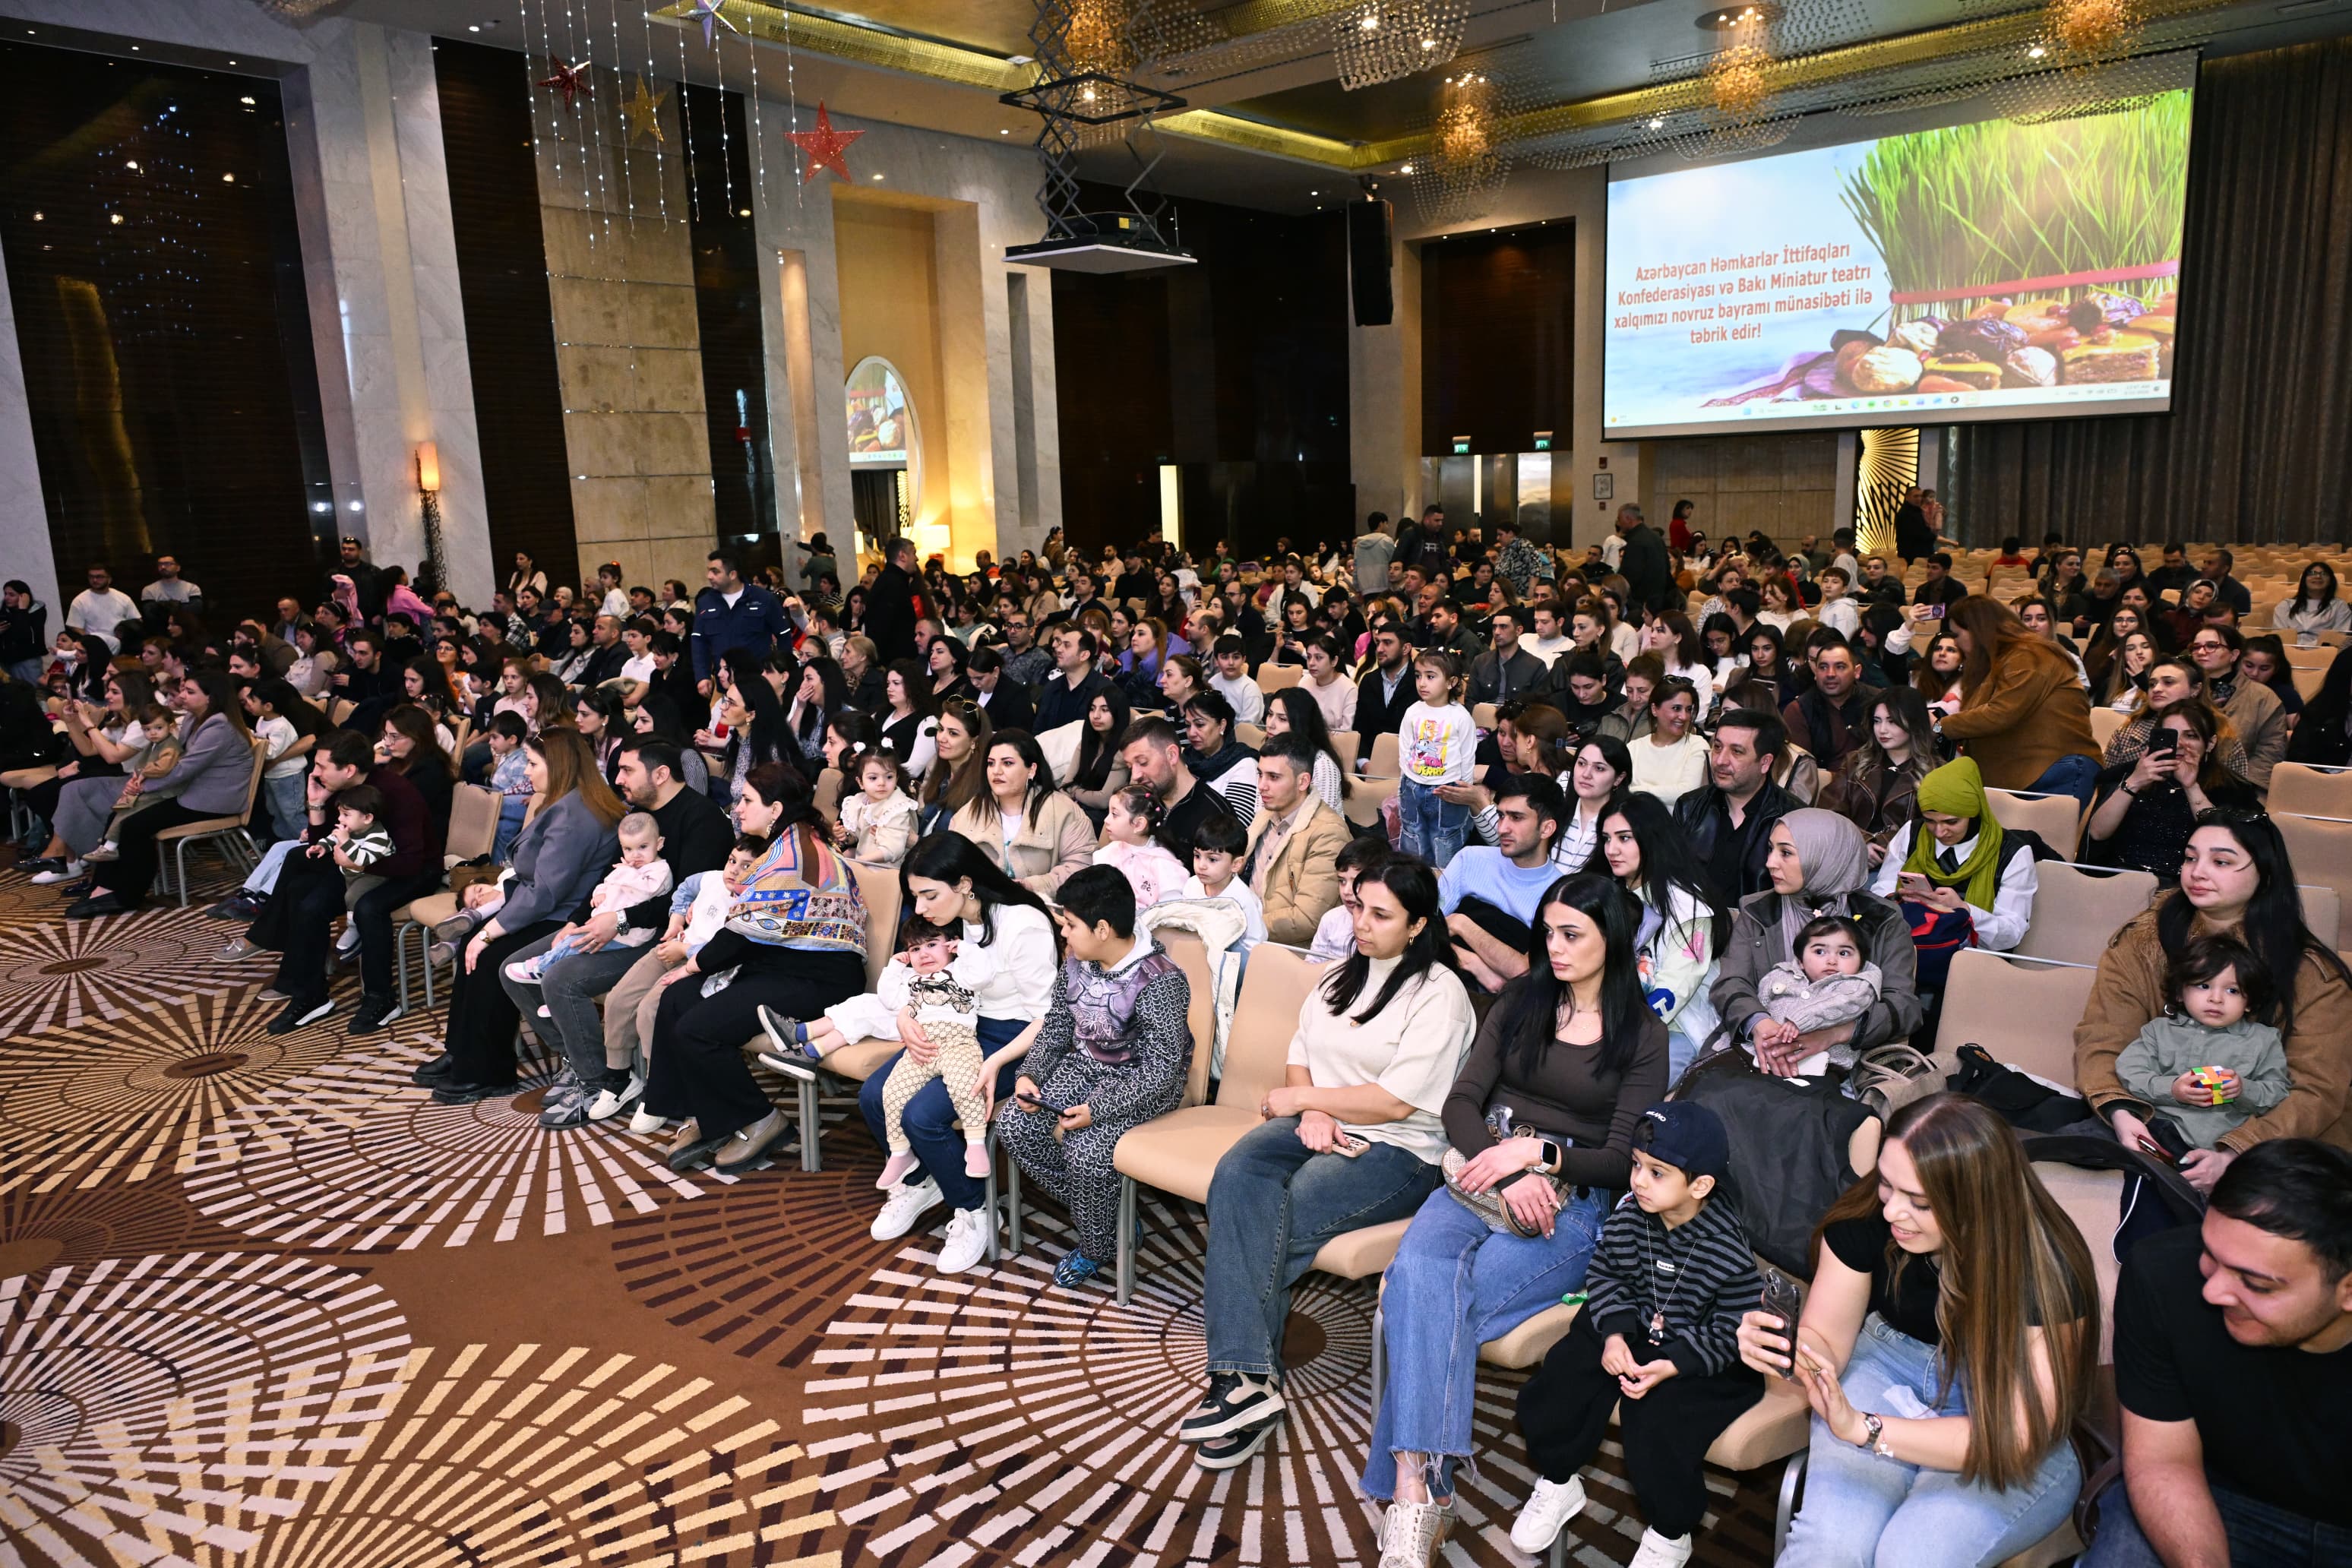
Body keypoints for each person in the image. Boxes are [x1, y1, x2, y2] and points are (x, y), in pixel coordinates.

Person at [1361, 872, 1671, 1566]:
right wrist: (1510, 1160)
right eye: (1549, 933)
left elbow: (1625, 1159)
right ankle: (1422, 1490)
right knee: (1427, 1285)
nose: (1554, 949)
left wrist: (1545, 1156)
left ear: (1612, 940)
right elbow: (1459, 1105)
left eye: (1572, 935)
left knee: (1421, 1295)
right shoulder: (1522, 1000)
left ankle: (1412, 1493)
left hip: (1570, 1211)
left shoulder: (1643, 1034)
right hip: (1478, 1179)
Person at [1178, 856, 1475, 1472]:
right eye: (1357, 907)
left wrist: (1307, 1101)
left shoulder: (1440, 994)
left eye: (1380, 914)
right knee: (1235, 1177)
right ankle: (1252, 1385)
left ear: (1418, 925)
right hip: (1314, 1123)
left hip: (1399, 1148)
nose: (1360, 923)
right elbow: (1300, 1054)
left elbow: (1397, 1102)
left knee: (1278, 1216)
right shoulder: (1341, 975)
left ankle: (1241, 1382)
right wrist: (1310, 1113)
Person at [1739, 1095, 2098, 1568]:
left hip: (2002, 1408)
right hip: (1888, 1361)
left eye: (1921, 1203)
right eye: (1887, 1184)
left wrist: (1865, 1429)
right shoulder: (1870, 1213)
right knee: (1830, 1551)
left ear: (1979, 1201)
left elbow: (2011, 1439)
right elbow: (1825, 1342)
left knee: (1912, 1558)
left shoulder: (2044, 1269)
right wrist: (1786, 1349)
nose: (1892, 1212)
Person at [1509, 1102, 1764, 1568]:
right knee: (1563, 1376)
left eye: (1658, 1172)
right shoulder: (1632, 1216)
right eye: (1637, 1165)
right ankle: (1560, 1480)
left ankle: (1671, 1532)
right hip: (1634, 1327)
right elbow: (1606, 1274)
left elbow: (1736, 1330)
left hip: (1703, 1350)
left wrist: (1675, 1363)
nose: (1639, 1180)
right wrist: (1614, 1336)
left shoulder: (1727, 1248)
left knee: (1658, 1416)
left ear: (1701, 1185)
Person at [2082, 1140, 2352, 1568]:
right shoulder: (2162, 1274)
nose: (2212, 1290)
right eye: (2210, 1252)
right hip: (2217, 1495)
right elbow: (2162, 1460)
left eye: (2257, 1284)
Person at [2075, 813, 2352, 1189]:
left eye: (2221, 862)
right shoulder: (2141, 941)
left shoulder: (2311, 972)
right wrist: (2123, 1115)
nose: (2197, 872)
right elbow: (2104, 1040)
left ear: (2266, 874)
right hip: (2155, 1119)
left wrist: (2234, 1153)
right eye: (2191, 858)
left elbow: (2316, 1092)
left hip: (2273, 1142)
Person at [628, 760, 868, 1171]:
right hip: (781, 963)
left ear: (774, 810)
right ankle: (704, 1112)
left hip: (820, 978)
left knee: (696, 1027)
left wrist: (692, 965)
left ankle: (762, 1119)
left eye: (747, 800)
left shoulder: (793, 856)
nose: (738, 808)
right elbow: (752, 933)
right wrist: (691, 973)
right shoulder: (788, 845)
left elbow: (739, 934)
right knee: (677, 1000)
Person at [855, 835, 1058, 1272]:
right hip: (958, 1025)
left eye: (930, 895)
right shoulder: (959, 922)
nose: (922, 908)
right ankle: (921, 1179)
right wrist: (907, 1019)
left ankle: (977, 1211)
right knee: (874, 1096)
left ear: (965, 883)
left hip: (1017, 1038)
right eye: (916, 897)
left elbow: (1049, 1018)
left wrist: (995, 1062)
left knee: (923, 1117)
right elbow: (931, 981)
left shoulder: (1022, 922)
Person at [996, 865, 1196, 1289]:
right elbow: (1056, 1025)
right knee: (1014, 1122)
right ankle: (1111, 1217)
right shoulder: (1078, 961)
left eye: (1070, 925)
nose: (1064, 935)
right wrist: (1032, 1073)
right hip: (1084, 1067)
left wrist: (1098, 1109)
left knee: (1086, 1151)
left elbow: (1161, 1072)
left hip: (1139, 1085)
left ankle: (1097, 1244)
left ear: (1102, 928)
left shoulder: (1160, 981)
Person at [411, 729, 628, 1095]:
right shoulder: (566, 802)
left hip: (558, 915)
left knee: (491, 955)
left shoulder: (577, 814)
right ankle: (462, 1050)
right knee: (470, 946)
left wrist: (489, 932)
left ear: (558, 766)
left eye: (532, 763)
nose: (526, 772)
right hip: (539, 905)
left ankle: (487, 1069)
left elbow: (545, 892)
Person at [1711, 809, 1924, 1078]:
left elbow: (1905, 1007)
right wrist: (1760, 1026)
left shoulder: (1882, 919)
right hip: (1758, 1050)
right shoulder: (1758, 910)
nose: (1770, 863)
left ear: (1826, 857)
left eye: (1785, 853)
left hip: (1847, 1063)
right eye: (1771, 849)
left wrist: (1835, 1034)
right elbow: (1731, 982)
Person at [68, 672, 261, 919]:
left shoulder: (219, 726)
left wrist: (143, 787)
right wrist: (141, 781)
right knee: (121, 814)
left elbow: (184, 768)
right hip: (193, 792)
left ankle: (128, 894)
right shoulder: (196, 718)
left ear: (211, 698)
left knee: (135, 825)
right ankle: (103, 888)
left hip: (213, 801)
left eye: (190, 692)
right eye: (184, 690)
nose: (182, 696)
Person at [2113, 934, 2290, 1154]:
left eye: (2232, 990)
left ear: (2249, 1002)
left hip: (2218, 1142)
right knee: (2089, 1127)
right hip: (2158, 1128)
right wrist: (2172, 1089)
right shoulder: (2158, 1031)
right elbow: (2129, 1071)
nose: (2216, 998)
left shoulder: (2263, 1040)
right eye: (2204, 985)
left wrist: (2244, 1089)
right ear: (2180, 992)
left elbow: (2277, 1090)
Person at [1937, 596, 2102, 808]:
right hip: (2023, 778)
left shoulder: (2028, 653)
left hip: (2054, 773)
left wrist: (1941, 725)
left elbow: (2001, 714)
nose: (1956, 642)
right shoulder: (2001, 661)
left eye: (1958, 634)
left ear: (1977, 630)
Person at [2085, 702, 2260, 882]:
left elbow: (2223, 844)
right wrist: (2135, 782)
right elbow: (2097, 833)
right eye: (2170, 735)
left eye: (2190, 736)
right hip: (2120, 878)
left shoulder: (2232, 788)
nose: (2179, 745)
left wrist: (2191, 787)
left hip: (2189, 885)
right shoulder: (2128, 775)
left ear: (2210, 743)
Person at [503, 808, 673, 991]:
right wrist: (599, 893)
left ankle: (541, 968)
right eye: (628, 849)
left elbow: (645, 892)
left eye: (643, 847)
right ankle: (553, 996)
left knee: (575, 944)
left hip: (629, 931)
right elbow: (608, 882)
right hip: (603, 923)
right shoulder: (627, 867)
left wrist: (627, 872)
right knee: (570, 938)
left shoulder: (660, 871)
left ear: (659, 843)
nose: (635, 855)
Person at [1439, 773, 1569, 991]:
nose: (1502, 828)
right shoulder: (1470, 859)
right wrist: (1474, 963)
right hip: (1440, 977)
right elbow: (1418, 931)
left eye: (1516, 818)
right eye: (1501, 816)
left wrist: (1462, 924)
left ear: (1547, 828)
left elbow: (1528, 973)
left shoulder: (1561, 895)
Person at [1231, 735, 1348, 947]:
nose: (1261, 786)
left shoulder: (1329, 833)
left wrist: (1238, 924)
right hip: (1249, 937)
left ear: (1303, 782)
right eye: (1260, 775)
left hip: (1288, 951)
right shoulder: (1265, 815)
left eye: (1273, 777)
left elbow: (1306, 919)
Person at [1673, 707, 1798, 902]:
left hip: (1759, 929)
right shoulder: (1689, 807)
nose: (1721, 760)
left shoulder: (1792, 818)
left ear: (1765, 763)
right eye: (1717, 747)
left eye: (1737, 752)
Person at [949, 729, 1094, 896]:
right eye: (991, 763)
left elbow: (1082, 864)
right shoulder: (968, 813)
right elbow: (950, 866)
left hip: (1045, 910)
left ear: (1031, 770)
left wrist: (1032, 886)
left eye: (1007, 763)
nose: (996, 771)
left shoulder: (1063, 810)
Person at [1745, 914, 1883, 1078]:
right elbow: (1759, 1002)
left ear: (1861, 964)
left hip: (1825, 1066)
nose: (1832, 960)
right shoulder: (1782, 974)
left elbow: (1840, 1003)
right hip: (1760, 1056)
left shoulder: (1857, 986)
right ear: (1801, 960)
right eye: (1820, 951)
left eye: (1844, 953)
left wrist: (1800, 1020)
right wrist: (1759, 1024)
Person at [1819, 687, 1936, 867]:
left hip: (1902, 863)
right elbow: (1828, 813)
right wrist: (1862, 842)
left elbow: (1931, 831)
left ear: (1914, 723)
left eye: (1892, 722)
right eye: (1877, 721)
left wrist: (1880, 845)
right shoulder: (1856, 762)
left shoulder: (1935, 773)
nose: (1882, 730)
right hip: (1848, 854)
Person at [2185, 624, 2289, 792]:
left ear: (2234, 655)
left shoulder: (2262, 697)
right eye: (2196, 647)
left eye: (2212, 646)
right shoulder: (2180, 690)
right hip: (2182, 782)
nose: (2201, 652)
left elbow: (2270, 751)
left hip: (2241, 786)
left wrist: (2240, 787)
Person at [1120, 714, 1238, 860]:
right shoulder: (1139, 802)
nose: (1135, 775)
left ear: (1172, 755)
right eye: (1130, 766)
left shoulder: (1215, 814)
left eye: (1143, 762)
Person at [1092, 782, 1191, 910]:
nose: (1106, 820)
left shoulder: (1163, 864)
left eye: (1115, 814)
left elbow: (1170, 910)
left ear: (1139, 824)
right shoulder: (1108, 853)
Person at [1184, 811, 1268, 952]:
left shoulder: (1244, 899)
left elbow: (1254, 944)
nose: (1201, 865)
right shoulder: (1192, 885)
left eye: (1212, 859)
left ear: (1236, 864)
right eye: (1197, 856)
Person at [1629, 677, 1707, 808]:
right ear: (1654, 709)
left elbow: (1687, 792)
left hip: (1678, 826)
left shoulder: (1697, 745)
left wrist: (1638, 790)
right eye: (1676, 708)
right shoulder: (1634, 747)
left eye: (1688, 709)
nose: (1684, 716)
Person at [836, 747, 922, 865]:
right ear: (860, 782)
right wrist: (845, 835)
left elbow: (893, 850)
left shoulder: (896, 808)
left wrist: (860, 861)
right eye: (873, 778)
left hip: (887, 870)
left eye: (889, 777)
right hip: (865, 863)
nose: (882, 783)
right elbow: (858, 836)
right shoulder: (860, 802)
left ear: (896, 778)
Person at [2271, 560, 2352, 643]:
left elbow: (2339, 636)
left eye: (2324, 574)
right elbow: (2279, 636)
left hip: (2324, 652)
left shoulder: (2340, 606)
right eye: (2312, 573)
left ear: (2331, 581)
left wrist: (2310, 648)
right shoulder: (2285, 605)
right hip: (2288, 651)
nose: (2318, 576)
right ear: (2304, 580)